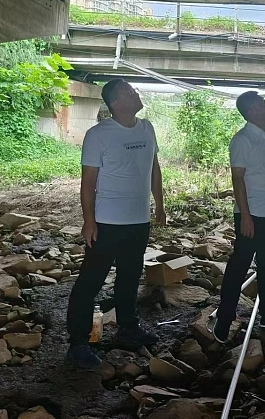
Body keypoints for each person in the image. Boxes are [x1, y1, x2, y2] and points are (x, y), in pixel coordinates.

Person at [65, 79, 166, 370]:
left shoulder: (147, 128)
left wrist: (159, 204)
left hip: (138, 220)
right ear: (116, 102)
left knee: (130, 275)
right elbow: (88, 182)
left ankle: (128, 327)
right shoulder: (98, 134)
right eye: (131, 92)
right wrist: (88, 221)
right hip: (107, 222)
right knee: (90, 282)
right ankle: (78, 343)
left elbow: (154, 167)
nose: (137, 94)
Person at [213, 91, 265, 342]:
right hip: (251, 214)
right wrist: (245, 216)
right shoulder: (242, 140)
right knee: (239, 266)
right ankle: (224, 319)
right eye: (262, 103)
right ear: (251, 112)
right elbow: (237, 179)